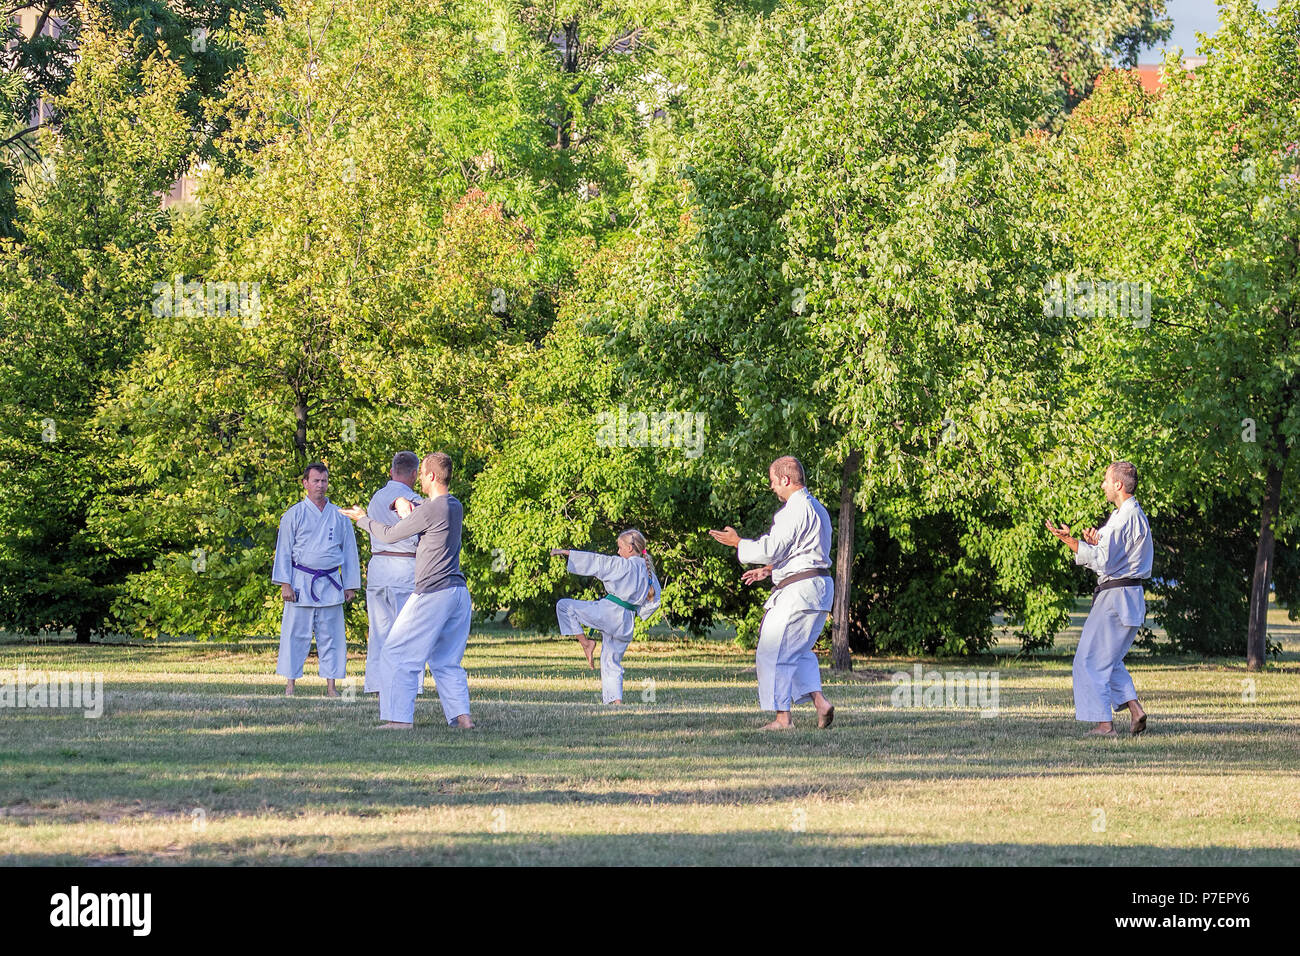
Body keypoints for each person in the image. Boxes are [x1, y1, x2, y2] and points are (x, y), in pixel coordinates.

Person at [341, 452, 473, 729]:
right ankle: (463, 719)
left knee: (396, 652)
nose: (420, 479)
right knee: (447, 661)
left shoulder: (428, 509)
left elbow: (389, 534)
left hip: (433, 591)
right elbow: (427, 509)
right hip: (458, 592)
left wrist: (362, 519)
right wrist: (402, 502)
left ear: (433, 476)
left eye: (423, 474)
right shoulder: (455, 505)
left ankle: (399, 720)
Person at [709, 456, 836, 730]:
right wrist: (768, 571)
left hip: (799, 592)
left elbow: (773, 547)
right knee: (797, 651)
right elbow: (802, 551)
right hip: (817, 588)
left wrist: (739, 543)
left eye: (773, 482)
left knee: (772, 650)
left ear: (786, 480)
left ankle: (782, 719)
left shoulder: (794, 510)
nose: (773, 488)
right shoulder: (818, 509)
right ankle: (820, 702)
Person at [1046, 461, 1152, 737]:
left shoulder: (1124, 518)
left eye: (1106, 480)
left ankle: (1105, 725)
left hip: (1116, 597)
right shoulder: (1129, 516)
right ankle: (1135, 709)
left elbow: (1101, 559)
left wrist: (1069, 541)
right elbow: (1105, 550)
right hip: (1129, 596)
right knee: (1110, 660)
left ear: (1118, 484)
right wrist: (1091, 542)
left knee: (1088, 660)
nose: (1103, 485)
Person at [271, 462, 360, 697]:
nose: (320, 485)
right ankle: (290, 685)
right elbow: (284, 550)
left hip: (331, 581)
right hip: (301, 581)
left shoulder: (339, 516)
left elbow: (350, 551)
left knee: (332, 637)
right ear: (305, 484)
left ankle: (331, 687)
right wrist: (285, 583)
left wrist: (350, 584)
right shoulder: (294, 514)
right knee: (295, 635)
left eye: (324, 481)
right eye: (316, 481)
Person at [552, 530, 662, 704]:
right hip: (627, 622)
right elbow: (654, 602)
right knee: (611, 662)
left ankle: (586, 644)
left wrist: (567, 553)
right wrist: (640, 611)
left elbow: (597, 562)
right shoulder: (649, 573)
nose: (618, 552)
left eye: (620, 548)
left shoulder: (623, 565)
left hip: (609, 612)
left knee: (564, 606)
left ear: (629, 547)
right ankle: (616, 701)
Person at [362, 452, 423, 694]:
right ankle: (410, 685)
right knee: (409, 629)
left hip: (378, 566)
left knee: (379, 631)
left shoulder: (376, 498)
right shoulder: (414, 500)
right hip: (404, 566)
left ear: (391, 471)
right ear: (415, 474)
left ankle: (376, 683)